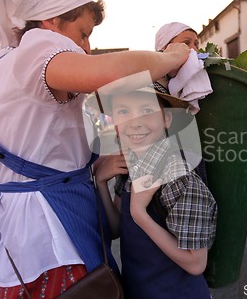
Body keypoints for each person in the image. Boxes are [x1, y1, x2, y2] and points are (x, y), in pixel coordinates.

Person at [0, 0, 190, 298]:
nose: (87, 47)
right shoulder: (38, 48)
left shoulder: (3, 61)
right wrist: (171, 56)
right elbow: (111, 74)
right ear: (50, 21)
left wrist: (98, 164)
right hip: (48, 234)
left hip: (24, 224)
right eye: (82, 33)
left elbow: (63, 132)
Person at [93, 79, 217, 299]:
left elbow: (196, 263)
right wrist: (101, 183)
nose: (135, 121)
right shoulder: (129, 168)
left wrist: (140, 214)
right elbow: (115, 230)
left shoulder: (181, 178)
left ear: (166, 118)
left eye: (147, 110)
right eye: (123, 111)